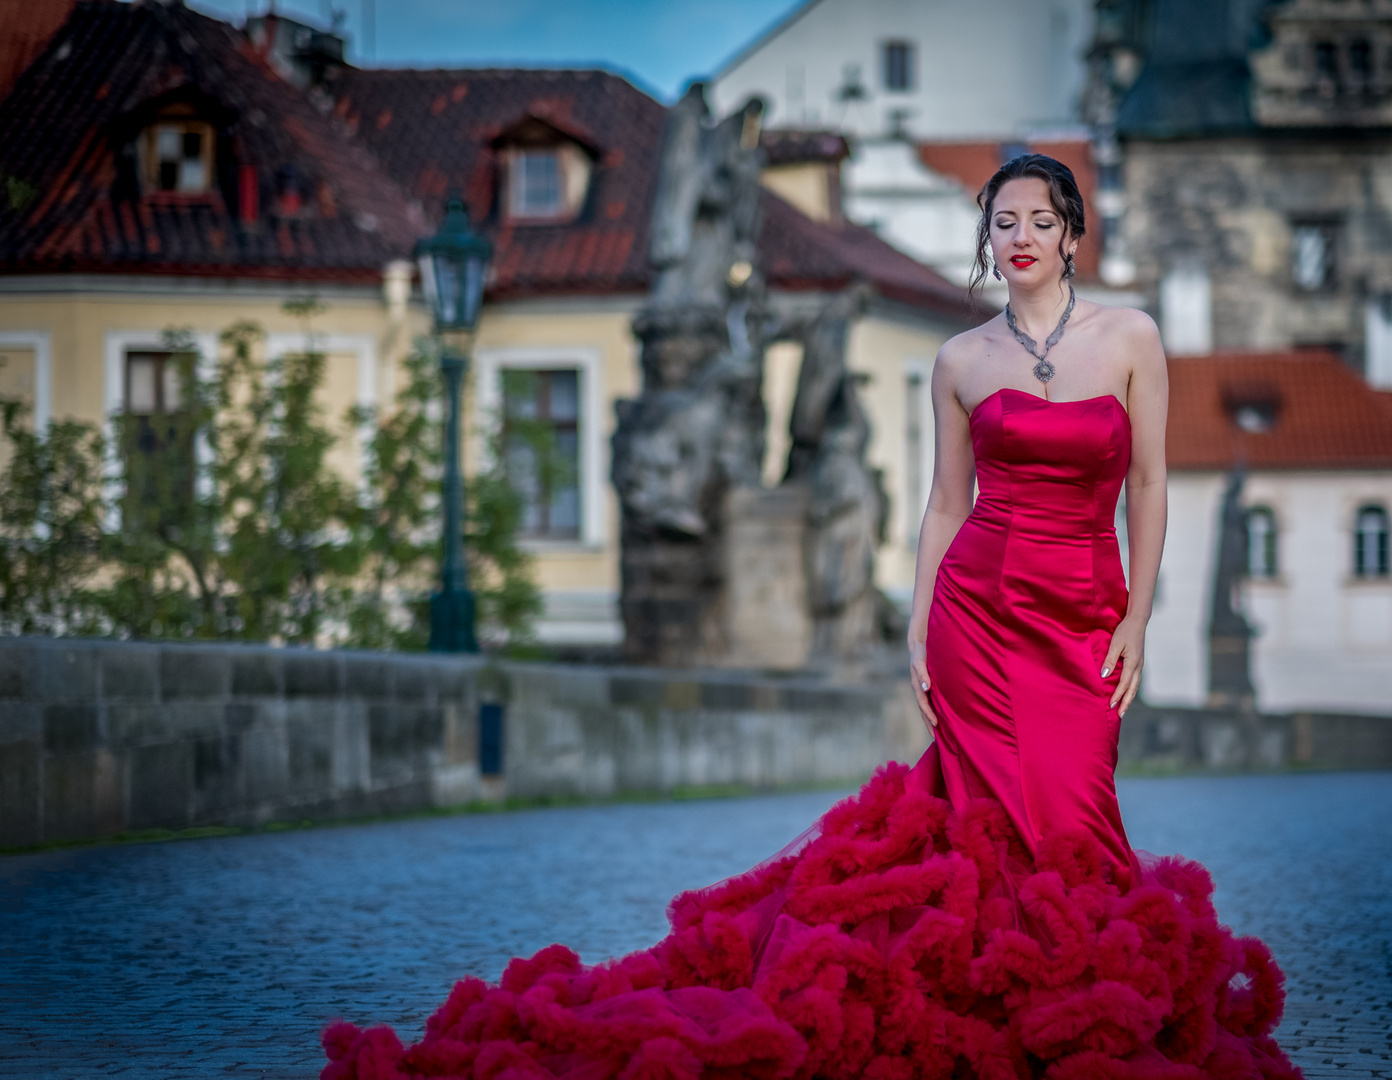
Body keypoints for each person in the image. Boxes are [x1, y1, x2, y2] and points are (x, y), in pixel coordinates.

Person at [322, 155, 1302, 1080]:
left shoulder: (1130, 338)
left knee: (1077, 810)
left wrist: (1136, 616)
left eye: (1040, 221)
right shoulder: (960, 359)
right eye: (1003, 221)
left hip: (1083, 612)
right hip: (979, 615)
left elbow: (1152, 479)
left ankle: (1065, 1003)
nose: (1021, 236)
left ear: (1072, 237)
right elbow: (946, 504)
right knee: (984, 817)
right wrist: (920, 626)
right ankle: (1006, 1019)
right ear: (987, 239)